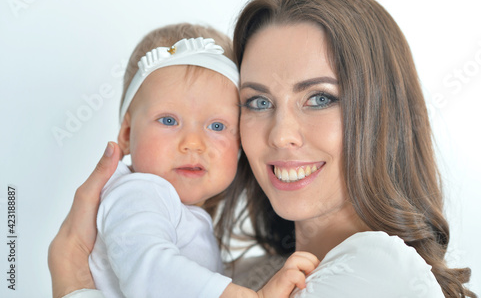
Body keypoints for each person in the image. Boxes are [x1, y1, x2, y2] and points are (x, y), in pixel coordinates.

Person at [49, 0, 475, 298]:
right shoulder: (244, 278)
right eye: (256, 102)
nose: (281, 134)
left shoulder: (379, 274)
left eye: (320, 97)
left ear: (383, 113)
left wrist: (71, 280)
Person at [64, 23, 319, 298]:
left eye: (217, 126)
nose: (193, 143)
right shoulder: (137, 194)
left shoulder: (173, 208)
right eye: (169, 120)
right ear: (126, 134)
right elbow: (150, 268)